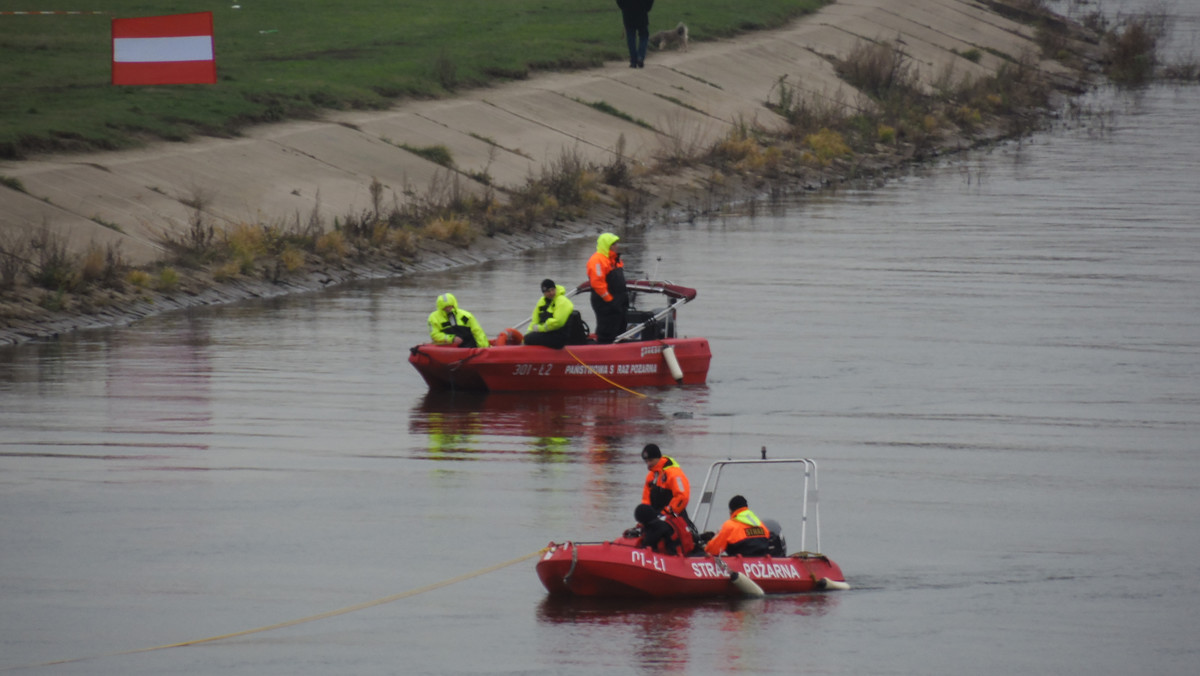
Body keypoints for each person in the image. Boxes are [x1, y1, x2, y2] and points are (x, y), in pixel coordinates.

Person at [587, 232, 628, 344]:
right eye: (614, 244)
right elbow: (597, 283)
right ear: (607, 245)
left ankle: (620, 350)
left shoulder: (615, 259)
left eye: (616, 243)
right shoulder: (598, 260)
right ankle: (603, 350)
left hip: (618, 301)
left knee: (620, 328)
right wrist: (609, 300)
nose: (616, 246)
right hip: (605, 302)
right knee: (606, 329)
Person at [703, 495, 771, 557]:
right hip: (761, 564)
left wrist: (706, 545)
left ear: (731, 510)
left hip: (740, 563)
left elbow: (712, 550)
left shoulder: (729, 525)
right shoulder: (761, 525)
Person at [640, 443, 691, 523]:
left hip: (674, 518)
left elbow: (682, 497)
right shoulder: (651, 476)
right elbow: (646, 501)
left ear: (658, 458)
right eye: (646, 461)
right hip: (657, 518)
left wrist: (666, 513)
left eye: (650, 460)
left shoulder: (674, 473)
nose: (648, 464)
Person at [523, 279, 574, 348]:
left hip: (559, 336)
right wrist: (529, 333)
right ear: (544, 293)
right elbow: (535, 321)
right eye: (548, 291)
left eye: (552, 290)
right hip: (547, 333)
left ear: (555, 288)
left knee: (529, 339)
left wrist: (540, 328)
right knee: (528, 337)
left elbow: (558, 323)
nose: (551, 293)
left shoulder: (562, 301)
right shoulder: (542, 302)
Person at [616, 0, 654, 68]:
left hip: (628, 13)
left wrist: (624, 7)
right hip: (642, 12)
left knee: (631, 38)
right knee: (644, 36)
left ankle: (633, 61)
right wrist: (647, 8)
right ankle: (640, 56)